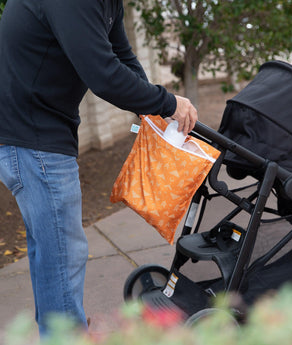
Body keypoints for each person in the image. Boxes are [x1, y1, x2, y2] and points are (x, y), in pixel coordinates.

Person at [0, 0, 197, 334]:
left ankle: (60, 333)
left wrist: (151, 113)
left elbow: (121, 55)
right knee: (64, 253)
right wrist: (169, 102)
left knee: (51, 253)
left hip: (34, 135)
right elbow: (102, 73)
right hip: (32, 137)